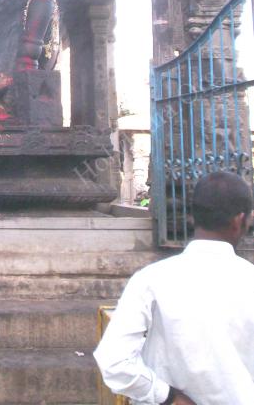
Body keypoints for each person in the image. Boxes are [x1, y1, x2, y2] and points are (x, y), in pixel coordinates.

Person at [94, 171, 254, 405]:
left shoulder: (150, 280)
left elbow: (113, 361)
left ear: (192, 217)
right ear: (240, 220)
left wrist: (168, 397)